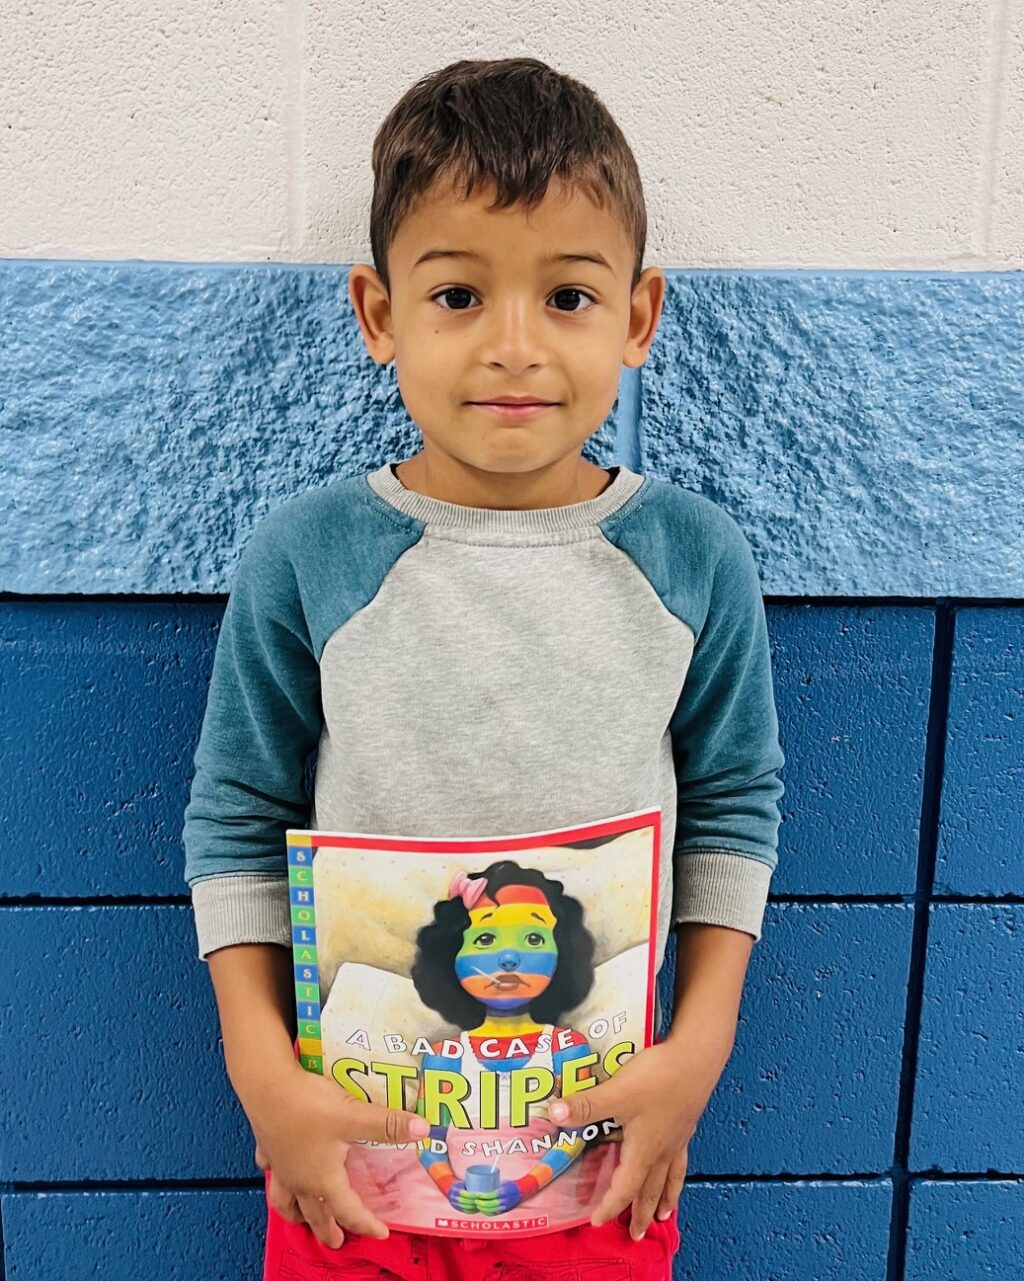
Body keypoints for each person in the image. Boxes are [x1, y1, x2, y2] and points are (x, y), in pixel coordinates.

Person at [183, 56, 786, 1281]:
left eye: (566, 296)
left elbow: (733, 801)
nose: (514, 347)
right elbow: (238, 813)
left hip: (604, 1153)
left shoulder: (689, 560)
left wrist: (701, 1044)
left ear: (636, 315)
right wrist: (262, 1075)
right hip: (352, 1164)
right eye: (457, 295)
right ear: (378, 313)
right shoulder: (309, 557)